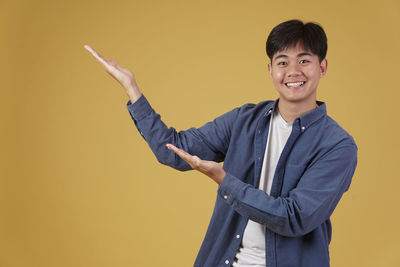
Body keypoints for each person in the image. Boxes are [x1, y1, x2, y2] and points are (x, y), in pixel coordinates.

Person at [85, 19, 358, 267]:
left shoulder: (338, 146)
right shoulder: (245, 120)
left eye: (304, 61)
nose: (293, 71)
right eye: (282, 62)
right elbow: (173, 149)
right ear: (270, 69)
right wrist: (132, 89)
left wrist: (224, 180)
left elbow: (295, 217)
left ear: (322, 67)